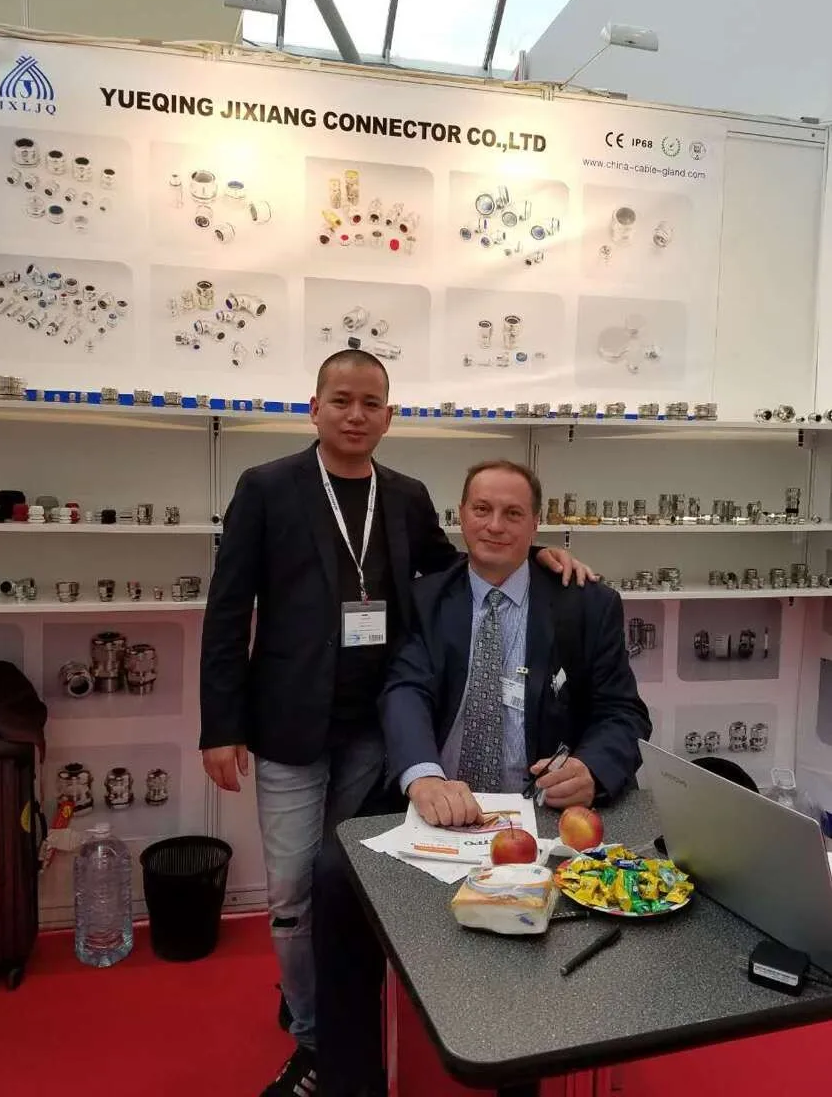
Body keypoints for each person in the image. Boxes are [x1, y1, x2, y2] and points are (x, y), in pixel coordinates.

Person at [198, 351, 592, 1097]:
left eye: (370, 403)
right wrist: (220, 725)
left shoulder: (406, 496)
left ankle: (337, 1015)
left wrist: (537, 554)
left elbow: (461, 568)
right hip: (286, 725)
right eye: (341, 400)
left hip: (373, 729)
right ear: (314, 407)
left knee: (347, 886)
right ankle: (315, 1040)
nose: (355, 415)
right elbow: (227, 610)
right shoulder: (267, 487)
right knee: (290, 895)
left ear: (389, 414)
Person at [313, 459, 650, 1096]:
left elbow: (622, 712)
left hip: (541, 806)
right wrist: (422, 776)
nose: (495, 525)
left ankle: (523, 1069)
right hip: (440, 796)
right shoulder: (425, 598)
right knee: (334, 874)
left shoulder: (587, 603)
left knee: (545, 913)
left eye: (513, 513)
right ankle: (349, 1078)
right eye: (482, 510)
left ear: (536, 524)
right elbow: (404, 687)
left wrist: (592, 769)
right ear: (461, 517)